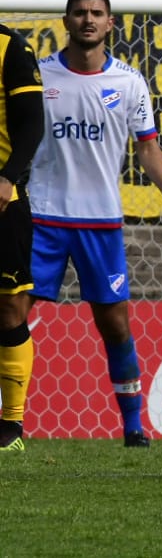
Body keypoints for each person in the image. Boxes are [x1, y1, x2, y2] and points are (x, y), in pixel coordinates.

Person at [27, 0, 162, 446]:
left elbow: (148, 147)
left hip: (100, 222)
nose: (88, 20)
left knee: (114, 324)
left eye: (97, 13)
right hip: (44, 216)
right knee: (11, 312)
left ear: (110, 23)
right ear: (66, 21)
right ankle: (9, 422)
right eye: (79, 13)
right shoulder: (40, 77)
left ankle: (134, 427)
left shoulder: (130, 83)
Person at [0, 23, 44, 453]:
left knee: (9, 306)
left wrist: (8, 177)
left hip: (1, 201)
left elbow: (32, 124)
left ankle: (10, 425)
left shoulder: (10, 47)